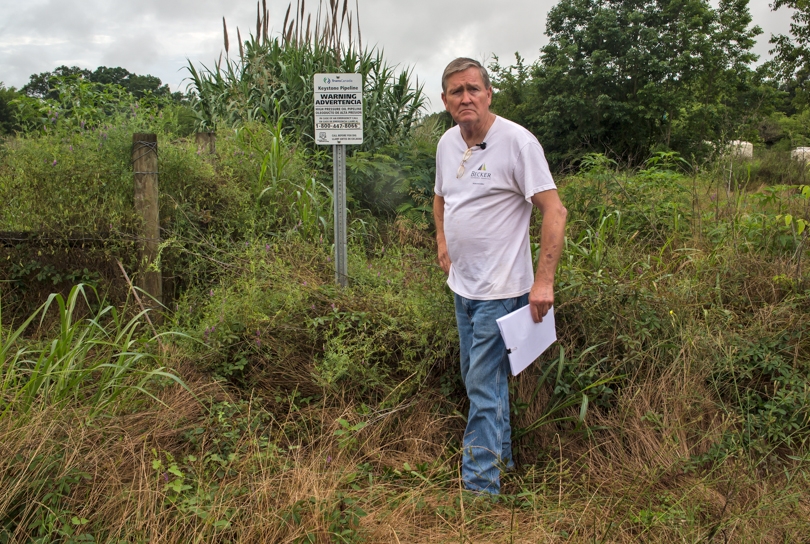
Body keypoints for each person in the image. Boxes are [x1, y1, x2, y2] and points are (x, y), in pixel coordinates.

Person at [433, 58, 568, 494]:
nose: (465, 97)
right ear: (446, 101)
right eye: (457, 91)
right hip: (463, 287)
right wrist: (442, 241)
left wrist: (543, 281)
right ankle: (502, 460)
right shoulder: (447, 143)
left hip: (501, 290)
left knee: (481, 385)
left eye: (473, 88)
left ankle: (478, 490)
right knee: (484, 381)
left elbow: (555, 210)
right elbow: (440, 198)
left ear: (489, 94)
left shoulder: (517, 142)